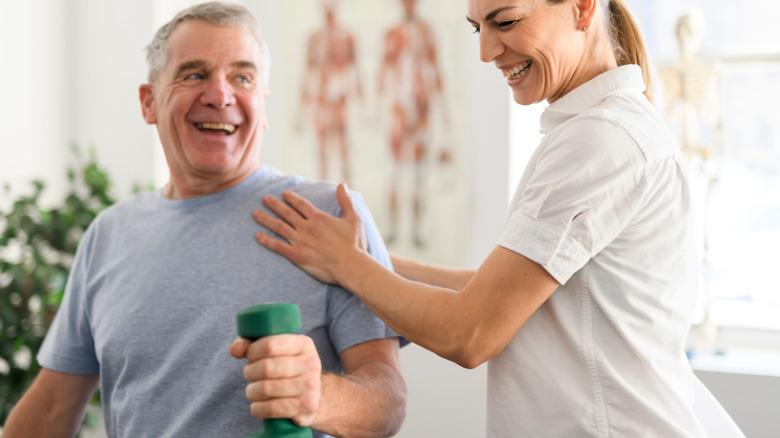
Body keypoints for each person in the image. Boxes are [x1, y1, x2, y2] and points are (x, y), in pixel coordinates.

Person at [253, 0, 744, 436]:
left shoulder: (601, 139)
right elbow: (515, 297)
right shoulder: (592, 130)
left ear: (582, 8)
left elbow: (469, 333)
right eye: (476, 28)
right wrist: (371, 259)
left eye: (505, 21)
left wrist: (349, 267)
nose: (487, 51)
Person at [1, 3, 405, 438]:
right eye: (194, 74)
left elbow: (387, 403)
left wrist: (318, 397)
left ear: (263, 105)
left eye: (242, 77)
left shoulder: (330, 214)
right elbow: (50, 411)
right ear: (149, 101)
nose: (220, 95)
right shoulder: (109, 234)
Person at [377, 0, 450, 247]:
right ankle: (392, 228)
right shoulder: (392, 34)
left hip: (421, 108)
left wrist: (443, 109)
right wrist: (377, 109)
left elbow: (435, 69)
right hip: (399, 107)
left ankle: (417, 229)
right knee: (394, 170)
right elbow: (383, 70)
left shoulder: (425, 32)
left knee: (419, 171)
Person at [298, 0, 363, 185]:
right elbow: (307, 74)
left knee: (343, 147)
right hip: (321, 98)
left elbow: (355, 72)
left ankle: (348, 192)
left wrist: (361, 107)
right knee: (322, 150)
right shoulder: (315, 38)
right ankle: (323, 193)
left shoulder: (347, 37)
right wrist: (301, 110)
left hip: (339, 98)